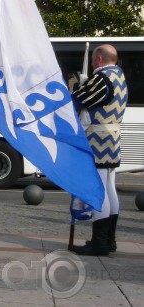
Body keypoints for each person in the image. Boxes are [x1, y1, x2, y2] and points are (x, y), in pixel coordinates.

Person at [69, 44, 128, 257]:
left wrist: (78, 88)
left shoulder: (102, 78)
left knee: (99, 189)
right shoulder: (120, 76)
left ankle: (100, 243)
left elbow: (79, 100)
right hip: (112, 138)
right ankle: (109, 240)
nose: (93, 64)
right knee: (110, 187)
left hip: (98, 138)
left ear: (99, 59)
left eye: (94, 60)